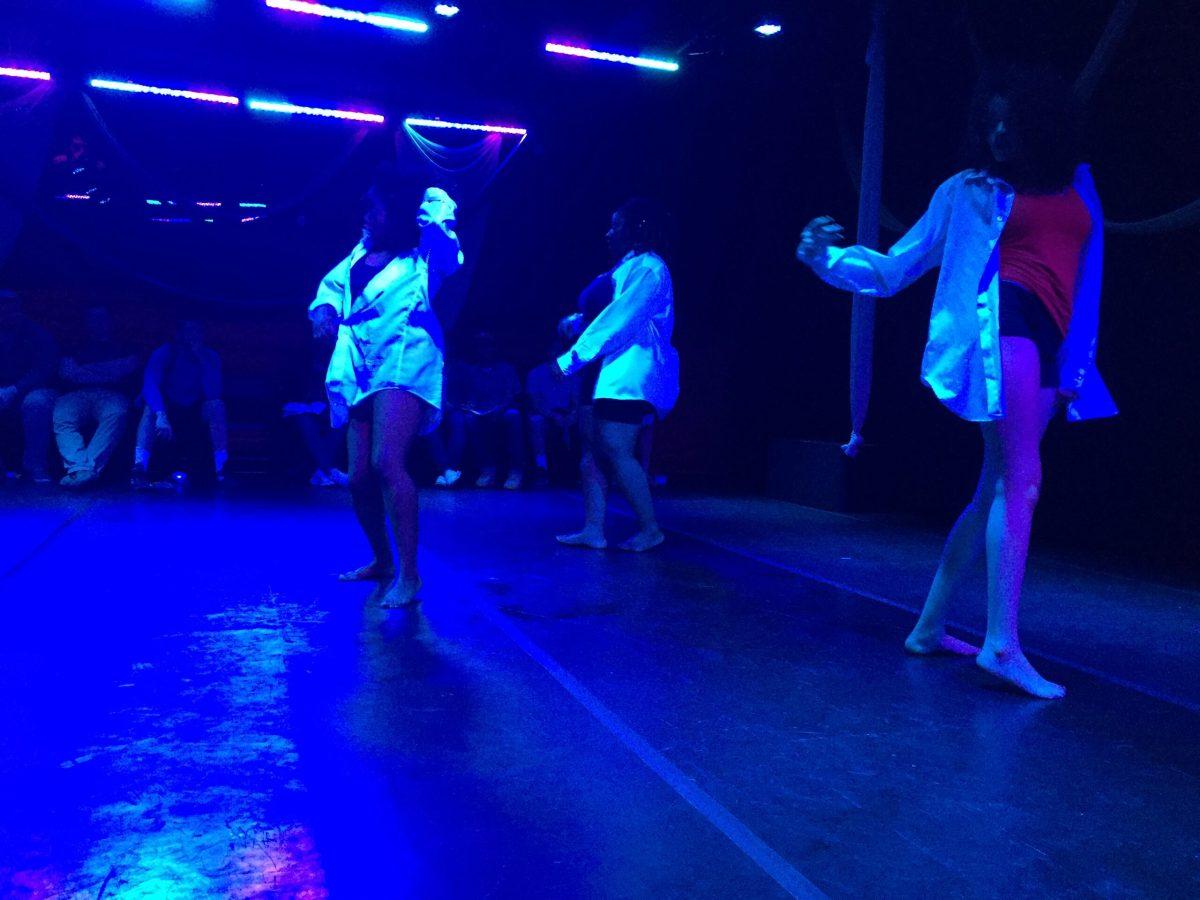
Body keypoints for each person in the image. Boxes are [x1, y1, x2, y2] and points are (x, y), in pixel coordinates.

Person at [795, 64, 1117, 699]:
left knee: (995, 485)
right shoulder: (967, 192)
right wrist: (824, 258)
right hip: (1006, 326)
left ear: (1043, 126)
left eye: (1011, 121)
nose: (997, 133)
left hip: (1053, 339)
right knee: (1021, 480)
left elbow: (1091, 276)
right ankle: (1001, 645)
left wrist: (1079, 365)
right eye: (988, 122)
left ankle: (929, 626)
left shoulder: (1080, 185)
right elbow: (894, 270)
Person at [310, 172, 463, 608]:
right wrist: (322, 311)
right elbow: (331, 287)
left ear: (394, 213)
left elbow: (447, 241)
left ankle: (410, 576)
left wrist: (424, 199)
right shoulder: (360, 251)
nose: (365, 215)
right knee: (359, 477)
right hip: (361, 366)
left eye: (373, 207)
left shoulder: (424, 258)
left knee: (386, 462)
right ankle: (383, 561)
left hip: (403, 360)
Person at [556, 199, 680, 552]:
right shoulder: (623, 268)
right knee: (592, 451)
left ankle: (650, 528)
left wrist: (570, 359)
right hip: (599, 371)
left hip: (624, 372)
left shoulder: (650, 268)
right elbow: (602, 314)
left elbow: (621, 320)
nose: (608, 232)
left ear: (637, 229)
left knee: (617, 449)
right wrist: (576, 323)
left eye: (616, 225)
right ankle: (593, 529)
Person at [131, 318, 227, 487]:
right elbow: (150, 386)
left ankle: (221, 469)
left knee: (217, 406)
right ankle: (139, 469)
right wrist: (161, 415)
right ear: (177, 334)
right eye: (187, 331)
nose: (190, 336)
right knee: (149, 408)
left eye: (195, 331)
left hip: (195, 411)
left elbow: (214, 393)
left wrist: (201, 358)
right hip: (168, 411)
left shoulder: (211, 356)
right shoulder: (163, 353)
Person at [52, 305, 140, 488]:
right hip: (76, 393)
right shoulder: (74, 342)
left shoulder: (123, 343)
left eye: (101, 318)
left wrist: (84, 369)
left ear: (110, 320)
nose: (96, 323)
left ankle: (82, 471)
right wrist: (108, 370)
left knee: (117, 414)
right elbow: (67, 372)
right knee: (62, 415)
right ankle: (82, 470)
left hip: (111, 393)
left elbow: (127, 367)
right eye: (92, 319)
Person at [0, 289, 58, 482]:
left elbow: (44, 369)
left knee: (37, 403)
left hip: (32, 389)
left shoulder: (36, 333)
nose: (4, 310)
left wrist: (15, 388)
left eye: (9, 306)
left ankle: (35, 464)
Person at [456, 331, 525, 490]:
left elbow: (512, 396)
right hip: (481, 412)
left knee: (513, 417)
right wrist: (470, 406)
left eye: (487, 346)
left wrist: (498, 409)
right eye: (480, 346)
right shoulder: (472, 372)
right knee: (470, 420)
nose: (484, 350)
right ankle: (487, 469)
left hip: (503, 410)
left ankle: (516, 470)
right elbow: (470, 397)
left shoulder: (507, 369)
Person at [282, 334, 347, 487]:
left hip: (329, 408)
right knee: (305, 421)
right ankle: (329, 471)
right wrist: (305, 406)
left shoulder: (338, 369)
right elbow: (288, 396)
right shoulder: (297, 368)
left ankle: (322, 471)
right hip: (300, 409)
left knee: (339, 423)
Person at [525, 338, 578, 485]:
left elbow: (577, 401)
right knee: (536, 422)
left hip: (567, 414)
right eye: (554, 350)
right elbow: (535, 403)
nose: (558, 354)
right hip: (545, 414)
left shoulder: (573, 373)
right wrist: (553, 416)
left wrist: (572, 415)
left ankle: (582, 471)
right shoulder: (536, 373)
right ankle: (541, 467)